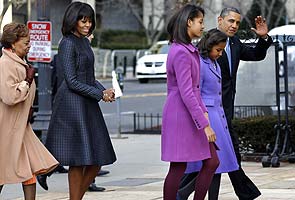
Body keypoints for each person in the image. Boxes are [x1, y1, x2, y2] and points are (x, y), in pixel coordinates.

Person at [177, 7, 273, 200]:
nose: (234, 26)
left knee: (222, 159)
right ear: (220, 20)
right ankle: (180, 192)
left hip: (224, 110)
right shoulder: (203, 51)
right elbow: (194, 89)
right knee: (216, 160)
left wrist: (263, 39)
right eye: (231, 21)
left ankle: (185, 193)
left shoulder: (235, 43)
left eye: (237, 22)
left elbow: (256, 55)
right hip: (209, 114)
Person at [44, 2, 117, 200]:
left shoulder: (84, 41)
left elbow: (89, 77)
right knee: (78, 160)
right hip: (72, 104)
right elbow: (72, 81)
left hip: (87, 102)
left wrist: (104, 91)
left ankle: (73, 196)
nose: (87, 25)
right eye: (82, 20)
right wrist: (99, 95)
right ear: (72, 20)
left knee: (98, 159)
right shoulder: (67, 43)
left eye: (90, 21)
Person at [162, 4, 220, 200]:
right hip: (180, 114)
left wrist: (204, 115)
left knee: (212, 161)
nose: (203, 26)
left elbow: (194, 90)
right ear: (189, 22)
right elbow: (186, 92)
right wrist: (204, 124)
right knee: (178, 166)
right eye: (200, 21)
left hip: (190, 113)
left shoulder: (187, 50)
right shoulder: (180, 52)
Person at [177, 29, 239, 200]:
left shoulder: (213, 62)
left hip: (218, 116)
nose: (220, 54)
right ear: (209, 46)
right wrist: (203, 122)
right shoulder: (200, 63)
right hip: (208, 117)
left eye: (222, 50)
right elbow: (195, 94)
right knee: (211, 164)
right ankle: (181, 194)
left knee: (218, 166)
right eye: (218, 50)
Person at [0, 22, 58, 199]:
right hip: (8, 128)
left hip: (20, 127)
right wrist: (26, 82)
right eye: (25, 43)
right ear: (12, 43)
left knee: (30, 170)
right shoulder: (5, 64)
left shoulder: (20, 62)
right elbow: (9, 97)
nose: (29, 45)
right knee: (4, 172)